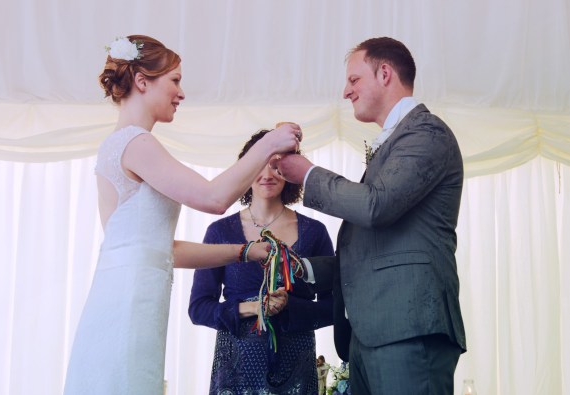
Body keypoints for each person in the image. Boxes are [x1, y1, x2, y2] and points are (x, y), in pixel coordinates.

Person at [63, 35, 302, 395]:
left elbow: (163, 249)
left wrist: (243, 252)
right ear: (142, 81)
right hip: (131, 302)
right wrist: (269, 143)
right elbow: (213, 197)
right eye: (174, 80)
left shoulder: (116, 146)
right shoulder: (135, 143)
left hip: (124, 294)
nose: (181, 93)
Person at [271, 37, 466, 395]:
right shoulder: (395, 142)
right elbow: (373, 246)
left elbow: (375, 207)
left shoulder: (427, 132)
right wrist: (299, 267)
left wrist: (308, 174)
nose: (346, 91)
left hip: (408, 330)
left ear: (385, 73)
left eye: (354, 80)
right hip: (371, 336)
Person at [188, 128, 335, 394]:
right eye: (259, 165)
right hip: (236, 371)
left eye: (276, 166)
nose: (267, 175)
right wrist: (252, 308)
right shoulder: (219, 232)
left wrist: (292, 307)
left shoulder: (316, 231)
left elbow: (334, 305)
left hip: (296, 368)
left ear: (290, 171)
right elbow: (198, 309)